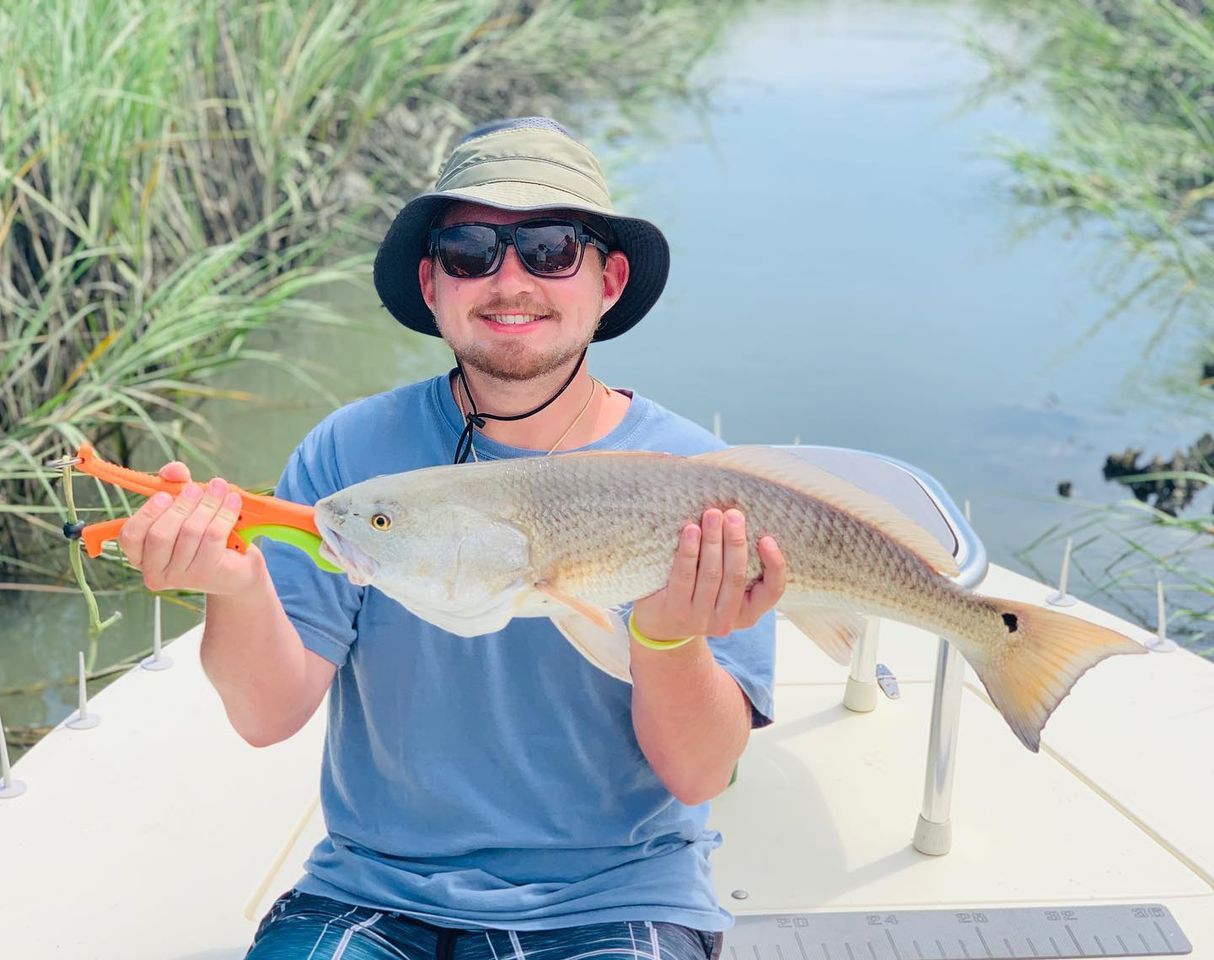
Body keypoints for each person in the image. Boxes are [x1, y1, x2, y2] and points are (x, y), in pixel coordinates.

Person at [117, 118, 786, 960]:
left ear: (608, 280)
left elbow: (699, 775)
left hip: (616, 899)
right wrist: (235, 585)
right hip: (370, 891)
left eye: (548, 248)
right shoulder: (351, 459)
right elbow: (266, 715)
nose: (510, 281)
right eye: (471, 251)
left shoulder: (702, 484)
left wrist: (666, 632)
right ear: (433, 283)